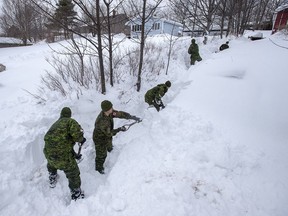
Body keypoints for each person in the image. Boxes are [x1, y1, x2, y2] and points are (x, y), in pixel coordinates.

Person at [43, 107, 86, 201]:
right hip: (63, 157)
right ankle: (76, 194)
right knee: (73, 173)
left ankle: (52, 177)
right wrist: (81, 139)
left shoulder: (54, 124)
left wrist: (75, 155)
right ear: (69, 115)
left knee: (52, 161)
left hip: (48, 153)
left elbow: (61, 144)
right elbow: (77, 136)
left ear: (61, 115)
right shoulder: (70, 121)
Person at [93, 100, 141, 174]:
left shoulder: (109, 112)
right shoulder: (102, 121)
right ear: (106, 110)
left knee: (109, 144)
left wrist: (131, 117)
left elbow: (119, 114)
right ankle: (99, 168)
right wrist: (120, 129)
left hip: (107, 135)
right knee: (101, 155)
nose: (112, 108)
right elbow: (109, 133)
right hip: (100, 139)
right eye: (111, 108)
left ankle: (110, 149)